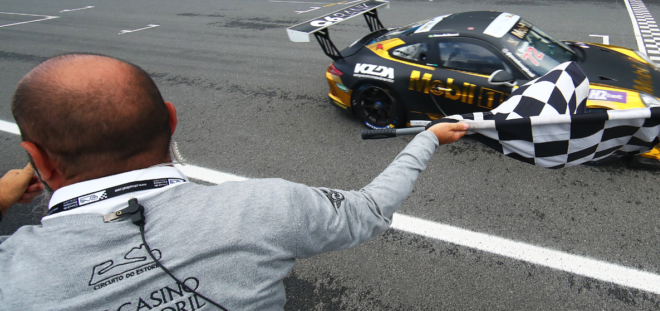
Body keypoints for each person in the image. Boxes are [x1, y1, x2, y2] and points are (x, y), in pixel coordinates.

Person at [0, 53, 469, 310]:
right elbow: (368, 210)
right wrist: (426, 137)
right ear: (170, 119)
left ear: (36, 158)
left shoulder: (13, 276)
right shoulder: (264, 206)